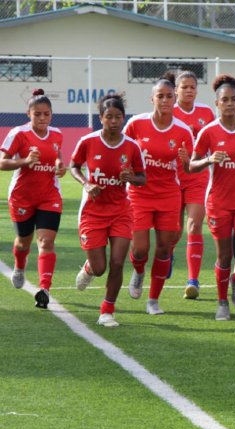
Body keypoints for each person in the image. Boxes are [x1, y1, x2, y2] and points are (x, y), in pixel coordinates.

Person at [190, 74, 235, 320]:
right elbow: (192, 165)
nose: (231, 103)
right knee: (224, 255)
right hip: (218, 202)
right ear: (217, 103)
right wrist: (208, 160)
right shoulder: (208, 132)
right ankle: (222, 301)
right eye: (226, 100)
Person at [70, 93, 146, 327]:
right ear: (101, 118)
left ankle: (107, 311)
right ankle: (88, 268)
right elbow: (73, 166)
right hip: (93, 212)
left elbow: (142, 178)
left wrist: (131, 177)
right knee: (100, 267)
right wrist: (86, 183)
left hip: (120, 212)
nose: (114, 121)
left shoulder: (132, 147)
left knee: (116, 262)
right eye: (109, 117)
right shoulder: (88, 141)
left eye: (118, 117)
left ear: (123, 118)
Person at [124, 75, 193, 315]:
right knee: (140, 248)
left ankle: (153, 300)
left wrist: (186, 163)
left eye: (169, 96)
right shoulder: (136, 123)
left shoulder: (183, 130)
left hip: (168, 195)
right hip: (139, 193)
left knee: (164, 248)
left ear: (175, 99)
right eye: (160, 96)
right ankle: (139, 271)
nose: (165, 100)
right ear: (152, 98)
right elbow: (124, 151)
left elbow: (189, 167)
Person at [0, 89, 66, 309]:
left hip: (49, 196)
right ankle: (19, 267)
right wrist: (25, 161)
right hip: (22, 197)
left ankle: (44, 288)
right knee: (23, 243)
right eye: (37, 114)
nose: (42, 118)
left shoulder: (57, 134)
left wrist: (59, 166)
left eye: (46, 114)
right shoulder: (18, 134)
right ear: (28, 114)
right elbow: (2, 163)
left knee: (46, 242)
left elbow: (57, 158)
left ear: (51, 114)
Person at [171, 70, 215, 299]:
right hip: (172, 177)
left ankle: (193, 280)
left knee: (194, 225)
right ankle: (167, 254)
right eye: (184, 87)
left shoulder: (206, 112)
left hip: (197, 177)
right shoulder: (168, 110)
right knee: (173, 231)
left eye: (192, 87)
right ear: (175, 89)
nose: (189, 90)